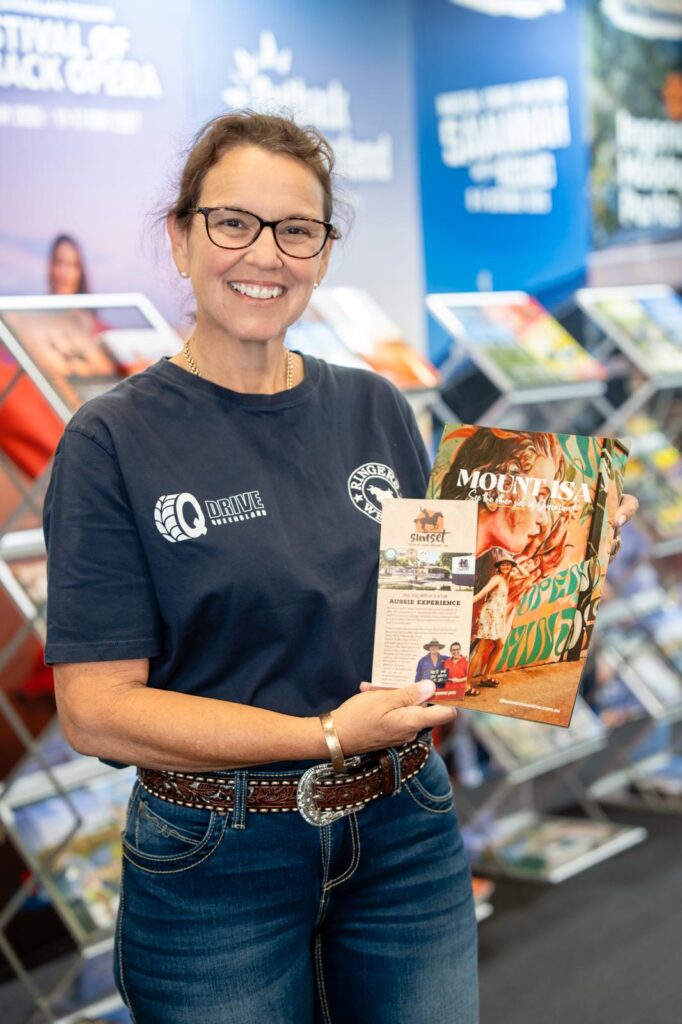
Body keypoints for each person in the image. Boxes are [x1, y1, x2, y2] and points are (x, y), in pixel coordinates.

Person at [42, 112, 476, 1024]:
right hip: (217, 856)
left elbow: (433, 618)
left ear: (322, 251)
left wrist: (556, 538)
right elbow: (96, 710)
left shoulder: (375, 407)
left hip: (406, 829)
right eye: (233, 222)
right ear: (181, 234)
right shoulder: (113, 439)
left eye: (296, 231)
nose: (265, 255)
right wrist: (323, 736)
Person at [469, 549, 531, 687]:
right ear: (498, 566)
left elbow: (526, 574)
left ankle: (485, 677)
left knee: (499, 645)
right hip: (490, 617)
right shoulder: (496, 579)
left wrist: (515, 563)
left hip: (498, 618)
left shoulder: (507, 578)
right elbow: (482, 593)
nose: (505, 567)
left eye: (508, 564)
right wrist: (467, 602)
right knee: (480, 651)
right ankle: (467, 685)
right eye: (502, 564)